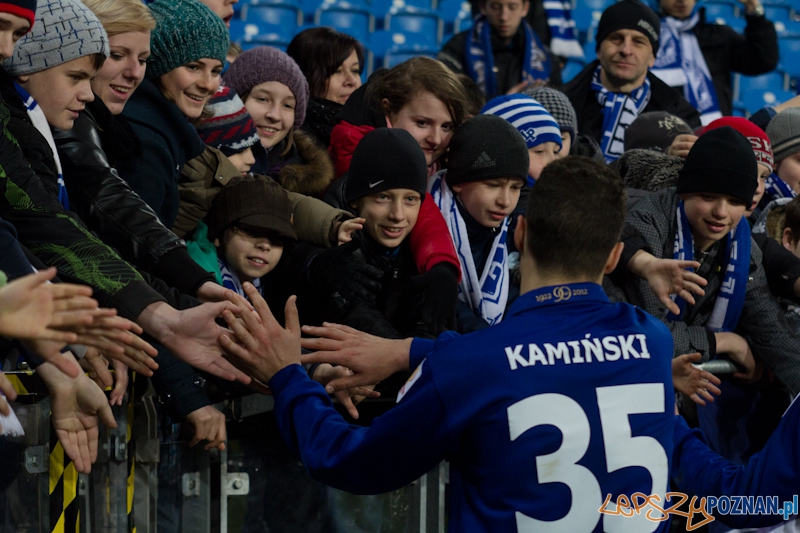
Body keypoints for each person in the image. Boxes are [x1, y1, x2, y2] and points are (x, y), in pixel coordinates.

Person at [219, 156, 678, 532]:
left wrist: (286, 376)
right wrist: (410, 350)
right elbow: (544, 359)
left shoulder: (470, 365)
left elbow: (349, 460)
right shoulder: (654, 343)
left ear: (519, 234)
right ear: (615, 256)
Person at [114, 0, 229, 229]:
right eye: (193, 67)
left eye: (216, 71)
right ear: (157, 65)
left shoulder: (161, 128)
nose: (208, 84)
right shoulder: (145, 145)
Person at [561, 0, 701, 163]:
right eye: (616, 38)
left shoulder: (681, 116)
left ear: (653, 57)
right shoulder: (563, 104)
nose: (626, 50)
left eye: (638, 41)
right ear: (598, 49)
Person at [428, 114, 529, 332]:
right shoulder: (422, 222)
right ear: (459, 183)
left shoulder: (508, 231)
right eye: (493, 185)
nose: (505, 201)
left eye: (515, 187)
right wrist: (490, 338)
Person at [223, 45, 335, 198]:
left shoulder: (309, 183)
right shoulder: (201, 162)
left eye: (287, 105)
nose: (275, 115)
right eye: (263, 99)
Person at [651, 0, 777, 122]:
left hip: (714, 132)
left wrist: (754, 11)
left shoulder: (718, 34)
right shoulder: (645, 37)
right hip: (662, 129)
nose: (682, 1)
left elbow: (763, 61)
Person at [437, 0, 563, 98]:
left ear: (525, 8)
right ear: (483, 6)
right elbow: (447, 97)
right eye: (496, 7)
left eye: (512, 7)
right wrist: (504, 102)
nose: (504, 17)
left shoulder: (546, 57)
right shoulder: (457, 48)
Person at [286, 27, 364, 149]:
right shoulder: (291, 140)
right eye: (337, 71)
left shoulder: (368, 127)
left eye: (355, 70)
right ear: (306, 76)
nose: (352, 81)